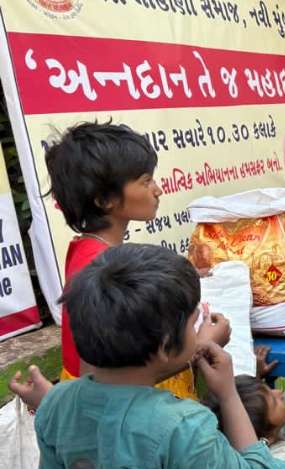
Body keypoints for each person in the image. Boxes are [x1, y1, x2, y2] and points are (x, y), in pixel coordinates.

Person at [10, 244, 285, 469]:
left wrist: (53, 411)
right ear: (165, 346)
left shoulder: (58, 404)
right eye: (193, 323)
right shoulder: (183, 427)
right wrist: (228, 393)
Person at [44, 121, 229, 397]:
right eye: (145, 181)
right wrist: (203, 343)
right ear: (105, 199)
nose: (157, 189)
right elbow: (114, 380)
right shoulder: (100, 269)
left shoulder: (92, 251)